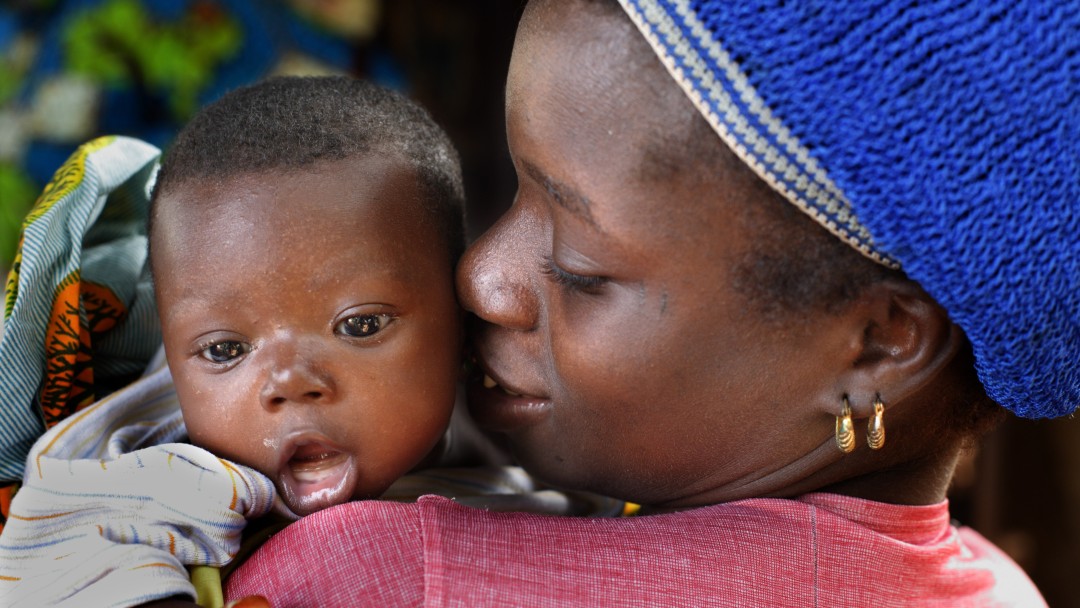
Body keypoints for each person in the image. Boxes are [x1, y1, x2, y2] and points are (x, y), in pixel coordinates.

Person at [223, 0, 1078, 605]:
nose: (482, 276)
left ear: (881, 344)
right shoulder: (1002, 587)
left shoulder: (375, 580)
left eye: (582, 268)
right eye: (517, 193)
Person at [0, 75, 518, 607]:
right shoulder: (154, 455)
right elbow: (54, 531)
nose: (288, 381)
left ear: (463, 313)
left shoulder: (513, 422)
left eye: (359, 325)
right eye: (225, 350)